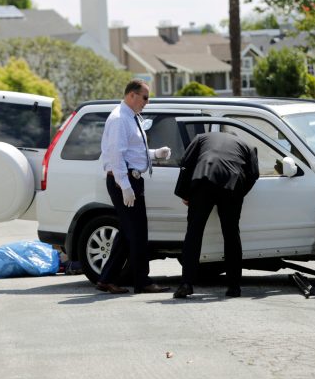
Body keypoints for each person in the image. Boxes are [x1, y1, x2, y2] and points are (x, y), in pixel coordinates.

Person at [96, 79, 171, 294]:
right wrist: (125, 185)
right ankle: (142, 281)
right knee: (138, 232)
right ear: (132, 95)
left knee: (128, 232)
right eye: (145, 97)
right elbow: (116, 155)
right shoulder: (120, 119)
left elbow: (133, 151)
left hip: (130, 178)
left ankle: (106, 278)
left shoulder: (130, 117)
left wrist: (155, 154)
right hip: (125, 180)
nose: (147, 102)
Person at [173, 130, 259, 298]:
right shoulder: (248, 145)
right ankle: (234, 287)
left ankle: (186, 284)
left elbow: (186, 162)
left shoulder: (202, 137)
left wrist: (184, 193)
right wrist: (240, 193)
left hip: (204, 178)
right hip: (233, 182)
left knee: (194, 233)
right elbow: (254, 175)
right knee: (231, 234)